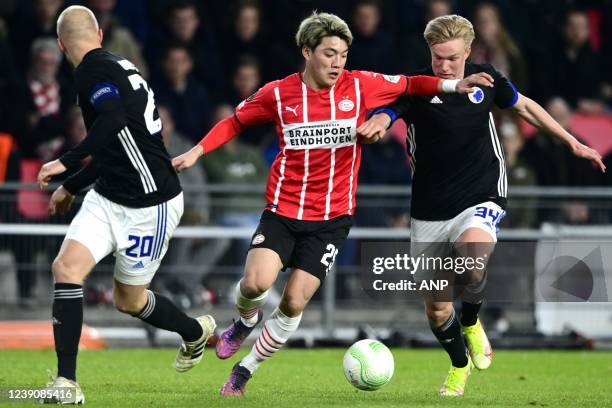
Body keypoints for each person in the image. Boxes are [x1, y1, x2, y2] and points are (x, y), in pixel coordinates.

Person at [172, 11, 493, 397]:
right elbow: (235, 121)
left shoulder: (361, 86)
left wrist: (454, 85)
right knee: (255, 283)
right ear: (307, 52)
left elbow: (412, 84)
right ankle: (244, 321)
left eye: (343, 54)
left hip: (331, 219)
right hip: (283, 210)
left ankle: (245, 370)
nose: (338, 62)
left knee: (293, 301)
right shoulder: (279, 93)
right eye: (329, 53)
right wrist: (197, 151)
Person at [358, 14, 606, 397]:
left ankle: (472, 321)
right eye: (438, 57)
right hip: (430, 206)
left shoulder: (486, 79)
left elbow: (523, 106)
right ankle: (459, 366)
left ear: (469, 52)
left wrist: (571, 141)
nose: (445, 65)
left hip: (481, 191)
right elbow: (389, 111)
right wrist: (378, 121)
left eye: (453, 58)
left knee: (472, 259)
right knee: (438, 309)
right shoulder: (418, 87)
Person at [35, 6, 215, 403]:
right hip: (108, 194)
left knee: (128, 300)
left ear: (62, 43)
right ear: (99, 32)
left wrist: (65, 163)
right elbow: (115, 143)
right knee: (66, 268)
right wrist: (74, 186)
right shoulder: (117, 65)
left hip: (152, 204)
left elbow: (113, 122)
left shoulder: (91, 72)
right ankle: (67, 383)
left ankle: (193, 331)